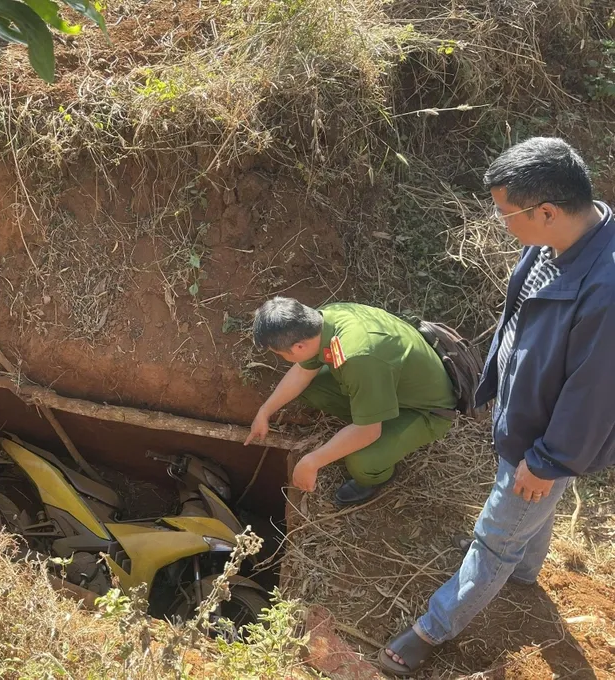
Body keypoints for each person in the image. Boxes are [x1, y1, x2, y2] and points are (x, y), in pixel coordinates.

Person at [380, 137, 615, 676]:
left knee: (494, 539)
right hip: (528, 421)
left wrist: (549, 460)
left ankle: (429, 631)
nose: (502, 223)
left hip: (545, 441)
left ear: (548, 211)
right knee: (533, 508)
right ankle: (526, 572)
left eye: (507, 213)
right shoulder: (558, 243)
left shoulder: (606, 288)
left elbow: (595, 392)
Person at [244, 297, 457, 505]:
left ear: (299, 347)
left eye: (280, 354)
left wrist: (311, 462)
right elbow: (301, 373)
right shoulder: (322, 321)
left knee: (362, 461)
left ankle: (376, 477)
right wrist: (265, 412)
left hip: (424, 410)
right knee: (313, 387)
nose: (282, 358)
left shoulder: (359, 357)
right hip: (387, 383)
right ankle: (369, 412)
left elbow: (369, 432)